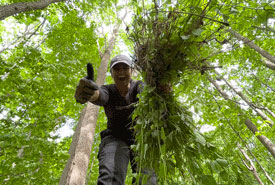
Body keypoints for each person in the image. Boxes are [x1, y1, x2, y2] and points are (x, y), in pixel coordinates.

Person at [74, 54, 157, 185]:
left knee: (148, 180)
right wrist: (90, 93)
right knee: (110, 176)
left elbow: (147, 96)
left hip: (141, 140)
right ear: (111, 74)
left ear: (131, 71)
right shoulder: (108, 90)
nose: (121, 72)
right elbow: (100, 95)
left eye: (125, 68)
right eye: (116, 69)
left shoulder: (138, 86)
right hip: (114, 138)